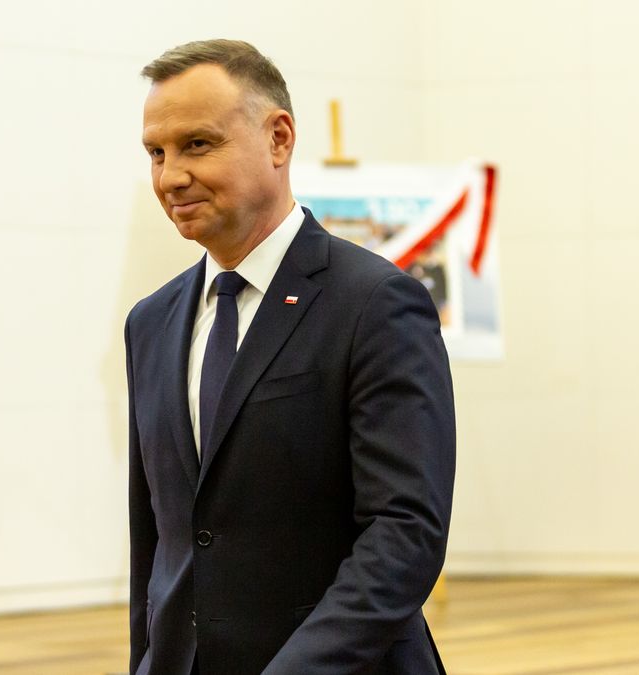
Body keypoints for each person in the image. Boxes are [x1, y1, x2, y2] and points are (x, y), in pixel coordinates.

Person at [125, 39, 456, 674]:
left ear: (279, 140)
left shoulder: (378, 305)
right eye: (155, 153)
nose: (170, 176)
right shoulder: (150, 323)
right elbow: (158, 543)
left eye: (197, 144)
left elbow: (405, 532)